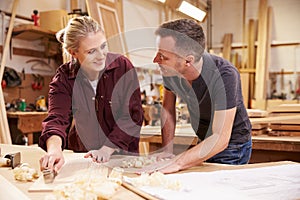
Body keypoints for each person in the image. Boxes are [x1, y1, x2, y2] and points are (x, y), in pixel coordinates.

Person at [39, 16, 143, 173]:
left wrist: (106, 150)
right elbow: (56, 118)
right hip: (84, 157)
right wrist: (54, 150)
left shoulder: (122, 67)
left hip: (123, 159)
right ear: (73, 52)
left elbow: (132, 116)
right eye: (91, 51)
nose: (101, 55)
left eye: (103, 46)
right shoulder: (64, 78)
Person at [147, 19, 252, 174]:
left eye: (163, 56)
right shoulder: (171, 70)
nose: (155, 60)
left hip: (231, 146)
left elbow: (220, 138)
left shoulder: (225, 75)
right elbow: (168, 109)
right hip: (203, 140)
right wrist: (167, 151)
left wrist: (177, 162)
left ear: (187, 61)